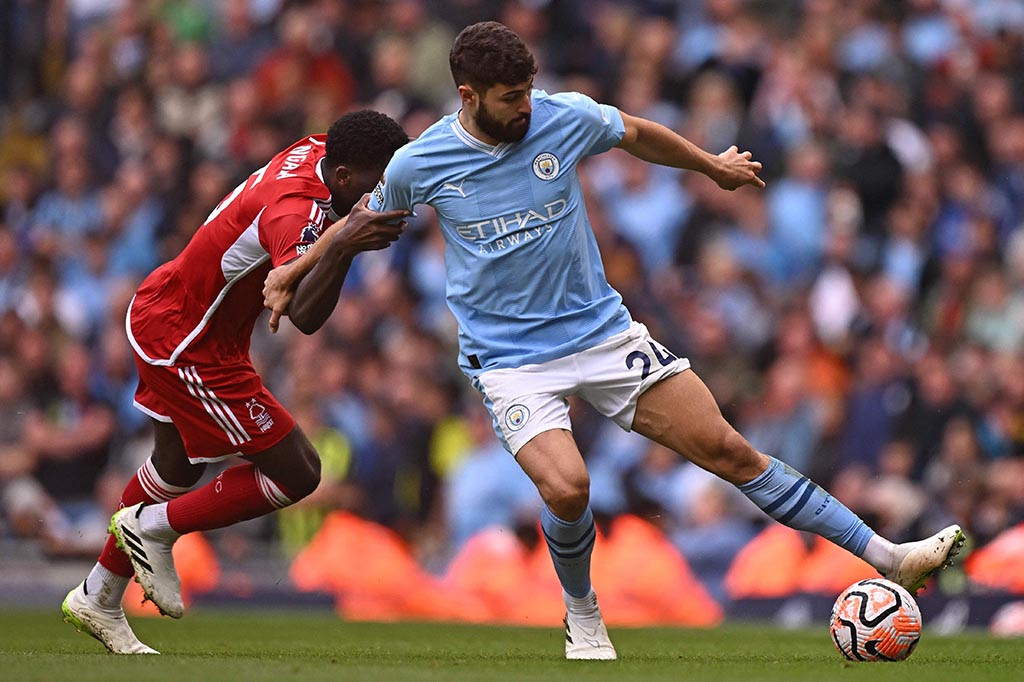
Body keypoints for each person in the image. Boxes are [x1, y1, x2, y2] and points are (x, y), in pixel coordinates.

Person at [265, 22, 965, 661]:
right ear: (468, 95)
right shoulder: (422, 163)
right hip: (511, 363)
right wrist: (294, 270)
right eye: (511, 98)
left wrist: (711, 166)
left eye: (529, 91)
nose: (526, 108)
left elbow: (634, 132)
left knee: (729, 449)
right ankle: (581, 610)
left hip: (601, 333)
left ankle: (888, 555)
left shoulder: (560, 117)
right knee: (570, 489)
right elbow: (359, 223)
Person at [61, 110, 412, 654]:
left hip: (181, 313)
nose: (385, 196)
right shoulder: (294, 214)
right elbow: (306, 316)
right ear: (344, 177)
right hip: (187, 340)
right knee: (299, 471)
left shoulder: (320, 149)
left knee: (177, 464)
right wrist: (344, 245)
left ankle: (99, 596)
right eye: (378, 184)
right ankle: (156, 528)